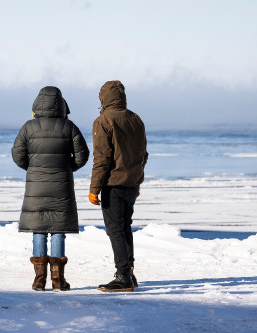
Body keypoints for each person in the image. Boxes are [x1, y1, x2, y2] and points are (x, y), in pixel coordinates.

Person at [12, 86, 89, 291]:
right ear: (62, 105)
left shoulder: (28, 127)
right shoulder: (69, 127)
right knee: (58, 229)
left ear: (37, 104)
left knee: (38, 228)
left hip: (36, 187)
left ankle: (39, 280)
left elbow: (17, 156)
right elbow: (82, 156)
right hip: (61, 185)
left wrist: (34, 168)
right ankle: (58, 280)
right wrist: (67, 168)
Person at [88, 80, 148, 292]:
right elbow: (143, 154)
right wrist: (137, 180)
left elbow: (102, 159)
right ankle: (128, 272)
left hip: (113, 184)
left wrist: (94, 188)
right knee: (124, 227)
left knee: (115, 229)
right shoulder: (136, 119)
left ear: (103, 98)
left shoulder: (103, 121)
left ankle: (123, 276)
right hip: (131, 183)